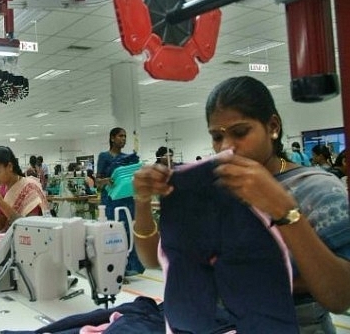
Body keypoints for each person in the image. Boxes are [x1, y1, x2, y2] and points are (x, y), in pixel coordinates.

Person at [133, 76, 350, 333]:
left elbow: (340, 298)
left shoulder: (318, 190)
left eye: (240, 132)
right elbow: (153, 260)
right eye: (216, 136)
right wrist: (143, 202)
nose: (226, 146)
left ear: (272, 126)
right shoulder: (212, 189)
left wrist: (284, 211)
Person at [96, 127, 145, 276]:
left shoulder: (127, 159)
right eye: (120, 136)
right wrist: (106, 180)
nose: (123, 139)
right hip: (111, 201)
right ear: (112, 138)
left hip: (127, 200)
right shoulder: (104, 157)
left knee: (129, 233)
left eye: (125, 136)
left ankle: (128, 266)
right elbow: (98, 182)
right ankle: (116, 269)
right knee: (114, 235)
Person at [0, 146, 48, 232]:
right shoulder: (4, 188)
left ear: (9, 166)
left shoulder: (30, 189)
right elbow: (1, 223)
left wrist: (0, 203)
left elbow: (30, 227)